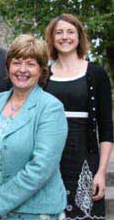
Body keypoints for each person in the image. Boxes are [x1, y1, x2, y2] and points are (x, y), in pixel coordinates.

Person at [0, 34, 68, 220]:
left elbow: (42, 167)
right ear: (8, 66)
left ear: (41, 70)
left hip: (34, 212)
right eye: (17, 62)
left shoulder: (51, 108)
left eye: (30, 64)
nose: (22, 70)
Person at [45, 13, 113, 219]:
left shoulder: (96, 74)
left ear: (79, 36)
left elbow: (106, 127)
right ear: (52, 38)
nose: (65, 37)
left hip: (85, 160)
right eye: (59, 32)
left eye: (70, 32)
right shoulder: (43, 74)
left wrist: (101, 172)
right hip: (50, 161)